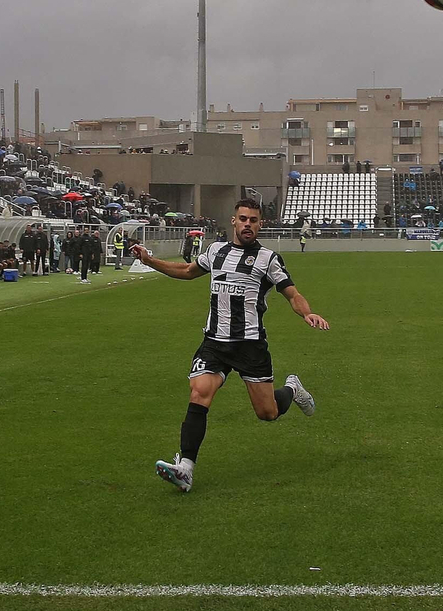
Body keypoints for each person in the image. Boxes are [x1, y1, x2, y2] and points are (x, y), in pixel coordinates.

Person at [130, 199, 329, 493]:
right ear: (233, 221)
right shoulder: (215, 251)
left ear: (260, 225)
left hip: (250, 346)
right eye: (243, 219)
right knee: (199, 394)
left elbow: (292, 294)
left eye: (254, 220)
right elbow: (186, 271)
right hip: (214, 342)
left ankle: (292, 390)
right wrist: (149, 260)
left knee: (267, 413)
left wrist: (307, 312)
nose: (248, 224)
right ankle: (186, 468)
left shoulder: (268, 259)